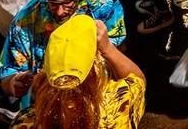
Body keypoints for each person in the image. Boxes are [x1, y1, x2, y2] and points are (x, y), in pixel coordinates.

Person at [0, 0, 127, 110]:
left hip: (94, 99)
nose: (60, 12)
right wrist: (13, 83)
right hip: (45, 104)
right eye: (53, 2)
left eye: (68, 2)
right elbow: (8, 74)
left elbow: (119, 53)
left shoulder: (104, 4)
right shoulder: (27, 19)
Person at [11, 15, 145, 129]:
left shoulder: (26, 121)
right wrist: (108, 48)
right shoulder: (117, 106)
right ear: (95, 68)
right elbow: (137, 79)